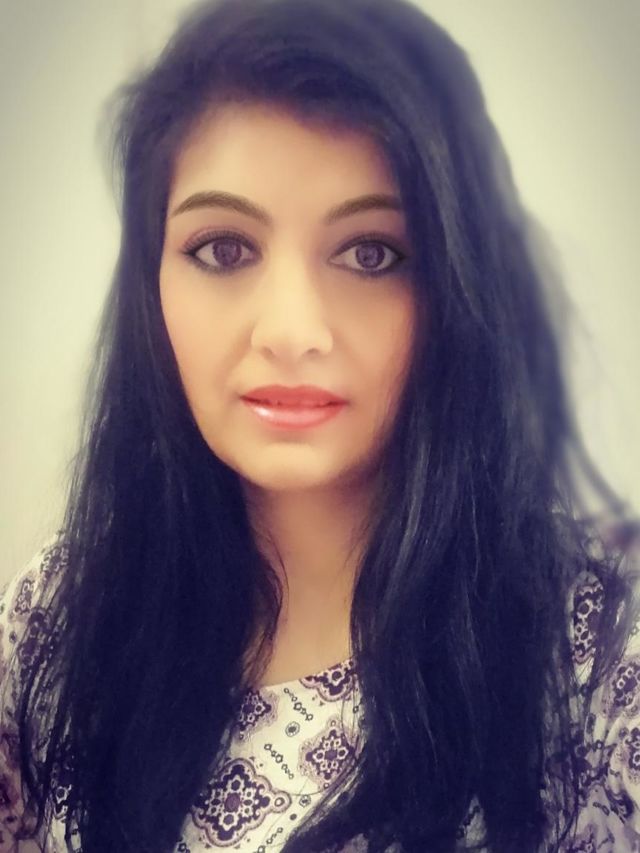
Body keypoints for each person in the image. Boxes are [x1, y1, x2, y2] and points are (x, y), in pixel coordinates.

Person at [1, 0, 639, 850]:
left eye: (370, 253)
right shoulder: (61, 610)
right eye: (223, 249)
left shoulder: (594, 651)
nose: (292, 330)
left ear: (455, 287)